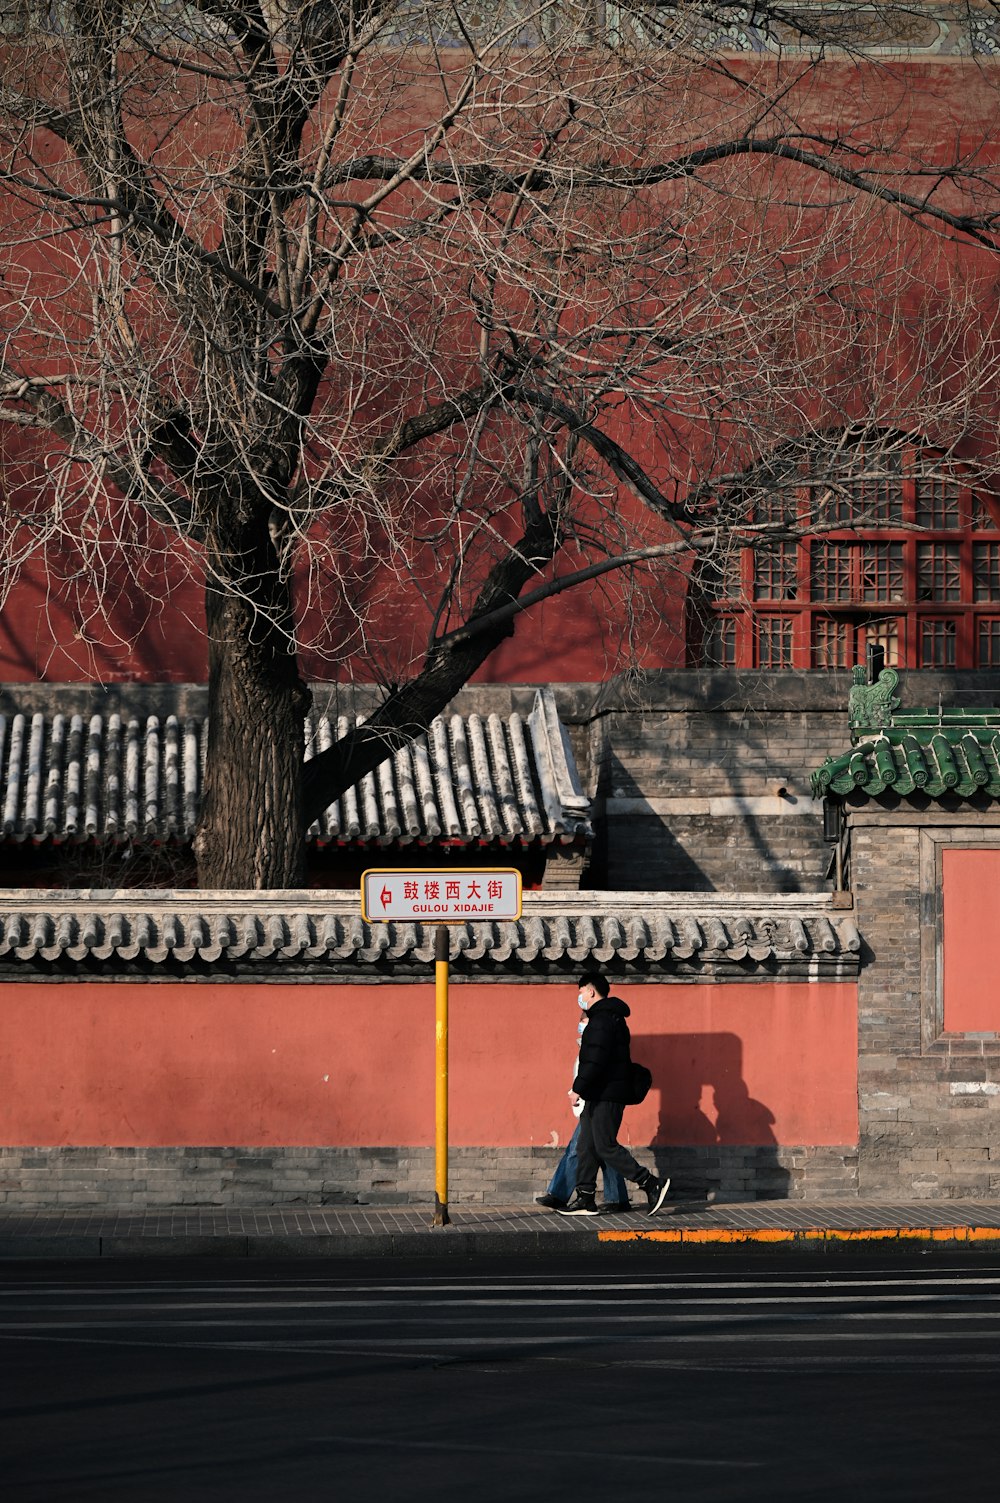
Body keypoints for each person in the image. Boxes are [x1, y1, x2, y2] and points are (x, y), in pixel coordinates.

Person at [557, 972, 670, 1217]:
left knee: (605, 1146)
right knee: (587, 1145)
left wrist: (578, 1088)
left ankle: (651, 1183)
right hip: (599, 1093)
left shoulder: (601, 1021)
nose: (580, 996)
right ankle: (585, 1198)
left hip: (607, 1094)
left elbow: (595, 1059)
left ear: (591, 991)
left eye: (581, 991)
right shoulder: (608, 1018)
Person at [536, 986, 631, 1213]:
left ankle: (560, 1195)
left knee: (583, 1149)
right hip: (591, 1104)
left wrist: (578, 1092)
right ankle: (617, 1198)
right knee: (602, 1148)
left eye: (584, 1024)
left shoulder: (600, 1035)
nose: (582, 1028)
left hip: (597, 1102)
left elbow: (592, 1071)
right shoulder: (588, 1045)